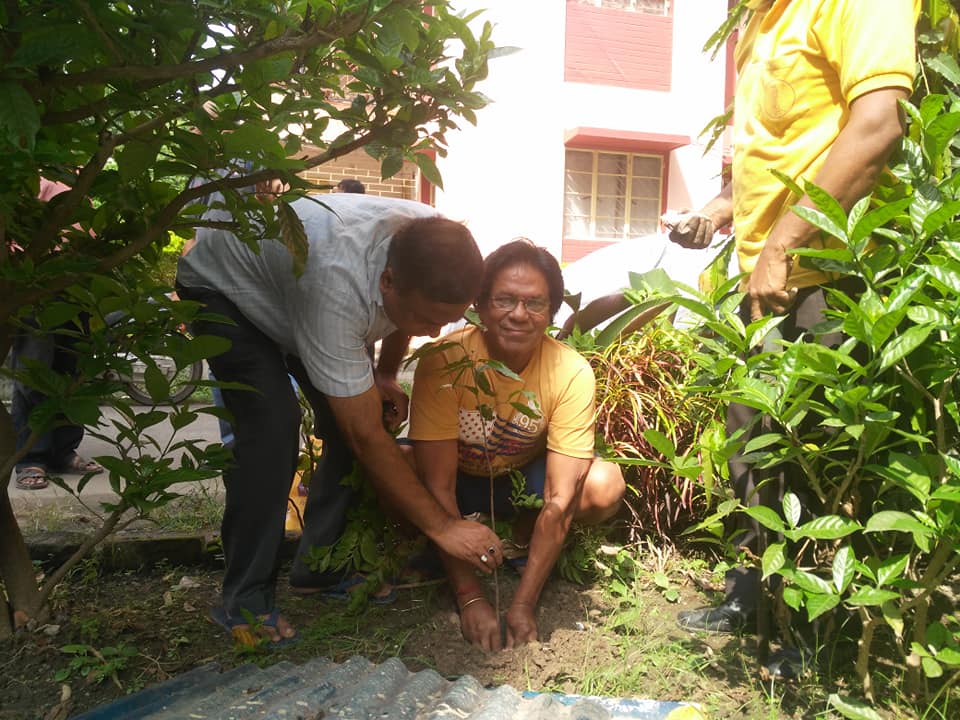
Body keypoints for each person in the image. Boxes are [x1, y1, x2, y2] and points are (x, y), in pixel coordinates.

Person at [667, 0, 918, 635]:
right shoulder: (763, 19)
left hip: (832, 277)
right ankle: (756, 601)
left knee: (819, 460)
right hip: (769, 282)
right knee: (754, 452)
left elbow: (879, 124)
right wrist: (715, 214)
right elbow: (774, 157)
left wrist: (781, 245)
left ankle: (812, 631)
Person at [176, 193, 504, 646]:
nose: (433, 333)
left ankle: (320, 567)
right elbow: (364, 434)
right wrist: (444, 527)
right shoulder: (335, 287)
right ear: (388, 281)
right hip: (225, 289)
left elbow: (407, 318)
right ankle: (245, 600)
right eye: (427, 320)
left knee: (357, 418)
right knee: (271, 428)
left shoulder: (430, 240)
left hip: (293, 289)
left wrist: (386, 374)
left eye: (445, 322)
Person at [405, 239, 625, 650]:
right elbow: (438, 485)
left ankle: (521, 540)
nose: (519, 315)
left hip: (523, 480)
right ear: (480, 305)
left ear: (551, 311)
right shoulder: (446, 359)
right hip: (458, 478)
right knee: (399, 468)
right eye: (504, 300)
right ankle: (443, 547)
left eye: (535, 303)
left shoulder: (570, 371)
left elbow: (560, 498)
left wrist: (523, 605)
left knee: (603, 483)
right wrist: (470, 598)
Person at [12, 178, 104, 490]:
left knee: (72, 375)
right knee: (33, 375)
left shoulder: (79, 181)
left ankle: (64, 450)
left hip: (77, 291)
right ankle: (31, 457)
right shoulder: (31, 178)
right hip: (36, 290)